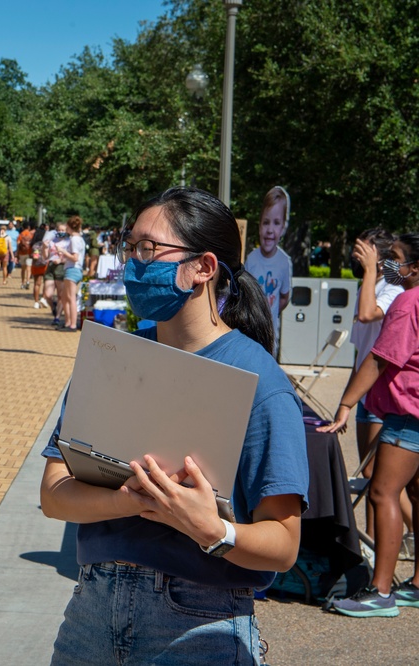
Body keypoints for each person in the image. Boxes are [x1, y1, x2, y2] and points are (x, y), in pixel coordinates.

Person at [40, 187, 308, 664]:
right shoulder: (112, 360)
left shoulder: (260, 384)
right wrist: (126, 499)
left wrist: (213, 531)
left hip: (200, 623)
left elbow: (284, 546)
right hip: (91, 611)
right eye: (130, 246)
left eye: (149, 249)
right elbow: (54, 494)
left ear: (203, 267)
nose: (134, 264)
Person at [320, 232, 419, 618]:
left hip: (406, 412)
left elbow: (381, 358)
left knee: (382, 493)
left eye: (394, 259)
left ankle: (380, 591)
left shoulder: (407, 303)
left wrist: (346, 403)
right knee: (414, 491)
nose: (389, 266)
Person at [342, 228, 410, 545]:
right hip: (366, 396)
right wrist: (350, 397)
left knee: (380, 482)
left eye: (364, 251)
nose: (357, 256)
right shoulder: (371, 284)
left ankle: (399, 537)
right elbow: (361, 353)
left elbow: (367, 315)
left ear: (380, 257)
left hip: (384, 397)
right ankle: (371, 541)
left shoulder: (394, 291)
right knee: (372, 480)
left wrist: (371, 270)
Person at [246, 186, 292, 356]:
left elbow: (285, 297)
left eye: (276, 223)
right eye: (266, 222)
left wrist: (269, 311)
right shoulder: (251, 259)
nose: (270, 230)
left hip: (270, 336)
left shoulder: (284, 262)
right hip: (250, 333)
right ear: (259, 226)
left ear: (283, 228)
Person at [56, 216, 86, 332]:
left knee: (70, 298)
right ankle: (68, 322)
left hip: (72, 270)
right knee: (65, 297)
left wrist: (63, 251)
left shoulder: (74, 239)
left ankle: (72, 324)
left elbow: (75, 257)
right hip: (75, 269)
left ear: (69, 227)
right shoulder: (80, 239)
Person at [42, 221, 68, 322]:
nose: (61, 232)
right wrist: (44, 247)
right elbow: (45, 257)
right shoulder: (52, 240)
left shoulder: (68, 242)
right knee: (48, 295)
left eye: (63, 230)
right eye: (59, 230)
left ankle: (57, 317)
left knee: (60, 295)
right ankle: (53, 308)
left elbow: (71, 257)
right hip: (51, 266)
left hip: (61, 267)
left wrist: (61, 260)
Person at [17, 221, 34, 289]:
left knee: (23, 269)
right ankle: (28, 281)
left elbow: (18, 244)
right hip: (29, 253)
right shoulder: (31, 235)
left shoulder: (21, 235)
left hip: (22, 253)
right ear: (28, 227)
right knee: (29, 268)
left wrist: (17, 254)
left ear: (23, 227)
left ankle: (22, 283)